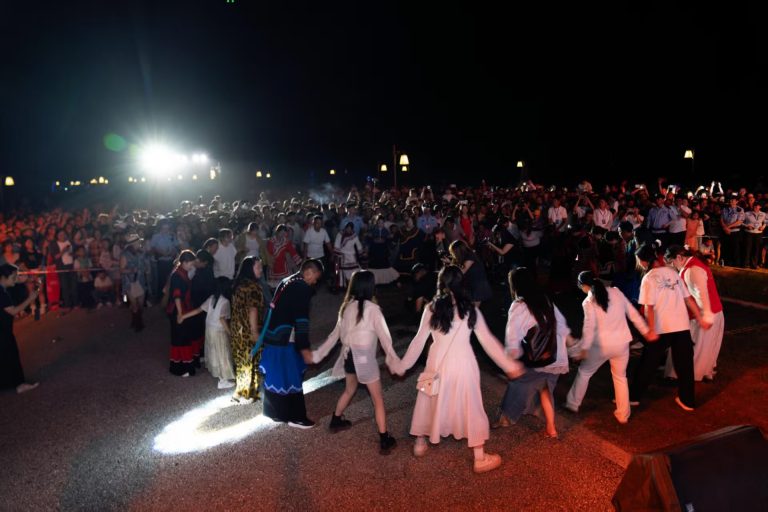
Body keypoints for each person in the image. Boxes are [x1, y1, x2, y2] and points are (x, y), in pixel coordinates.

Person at [389, 265, 523, 474]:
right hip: (463, 364)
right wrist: (510, 366)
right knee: (471, 406)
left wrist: (402, 366)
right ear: (462, 284)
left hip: (436, 363)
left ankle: (420, 442)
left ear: (441, 283)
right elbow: (488, 341)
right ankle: (479, 457)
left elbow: (418, 341)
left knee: (427, 399)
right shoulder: (470, 310)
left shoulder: (431, 308)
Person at [312, 270, 399, 453]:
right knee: (377, 399)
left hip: (348, 356)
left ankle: (336, 420)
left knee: (349, 389)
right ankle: (384, 439)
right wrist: (393, 360)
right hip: (364, 357)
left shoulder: (346, 307)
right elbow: (385, 338)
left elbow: (334, 336)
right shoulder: (373, 309)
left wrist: (318, 354)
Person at [565, 271, 656, 424]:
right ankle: (623, 414)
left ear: (584, 286)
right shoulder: (616, 292)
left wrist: (585, 348)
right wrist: (646, 331)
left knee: (584, 372)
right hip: (622, 344)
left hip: (601, 346)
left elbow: (589, 327)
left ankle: (573, 404)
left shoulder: (588, 302)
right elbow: (633, 313)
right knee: (620, 377)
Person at [629, 242, 711, 411]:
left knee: (647, 364)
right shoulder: (673, 273)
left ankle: (634, 397)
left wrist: (651, 329)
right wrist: (700, 318)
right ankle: (687, 401)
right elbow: (688, 299)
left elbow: (649, 307)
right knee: (685, 365)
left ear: (643, 261)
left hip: (662, 328)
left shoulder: (648, 278)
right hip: (681, 326)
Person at [494, 267, 570, 439]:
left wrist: (511, 359)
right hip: (555, 356)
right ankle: (551, 428)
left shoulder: (519, 306)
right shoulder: (545, 299)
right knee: (545, 390)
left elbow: (513, 336)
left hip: (535, 358)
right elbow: (562, 326)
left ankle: (505, 418)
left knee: (516, 387)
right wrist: (570, 344)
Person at [259, 259, 324, 427]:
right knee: (291, 375)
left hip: (272, 335)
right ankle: (296, 417)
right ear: (308, 272)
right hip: (285, 338)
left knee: (276, 375)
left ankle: (274, 412)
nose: (315, 282)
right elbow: (301, 320)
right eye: (316, 277)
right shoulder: (302, 288)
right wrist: (304, 348)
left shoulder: (287, 280)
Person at [664, 246, 725, 382]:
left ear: (679, 257)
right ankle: (704, 372)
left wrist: (706, 317)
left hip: (705, 314)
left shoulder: (692, 270)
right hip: (710, 313)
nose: (673, 266)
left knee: (695, 348)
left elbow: (701, 295)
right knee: (704, 348)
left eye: (672, 263)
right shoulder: (693, 266)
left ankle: (683, 375)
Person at [180, 277, 236, 389]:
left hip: (209, 329)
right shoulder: (225, 301)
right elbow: (222, 319)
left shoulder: (211, 298)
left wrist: (183, 316)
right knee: (222, 353)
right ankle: (223, 380)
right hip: (218, 331)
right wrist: (230, 333)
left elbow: (198, 310)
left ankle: (220, 376)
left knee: (214, 351)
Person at [229, 255, 266, 403]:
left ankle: (241, 390)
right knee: (252, 359)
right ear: (250, 269)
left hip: (237, 327)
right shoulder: (253, 287)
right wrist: (254, 331)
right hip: (248, 328)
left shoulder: (238, 284)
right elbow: (253, 309)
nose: (261, 270)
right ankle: (249, 392)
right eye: (258, 267)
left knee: (241, 359)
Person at [0, 263, 40, 394]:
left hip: (4, 329)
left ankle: (8, 384)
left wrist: (23, 278)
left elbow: (14, 282)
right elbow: (13, 311)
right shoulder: (1, 293)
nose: (15, 279)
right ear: (3, 278)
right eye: (13, 277)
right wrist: (30, 298)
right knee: (11, 355)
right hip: (3, 331)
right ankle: (19, 384)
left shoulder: (3, 287)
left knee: (5, 356)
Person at [166, 250, 198, 377]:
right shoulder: (177, 276)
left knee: (181, 338)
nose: (192, 266)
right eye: (191, 264)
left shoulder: (181, 273)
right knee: (180, 338)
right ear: (184, 262)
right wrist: (180, 314)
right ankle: (181, 368)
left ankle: (181, 366)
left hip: (182, 309)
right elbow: (177, 296)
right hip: (178, 310)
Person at [449, 239, 491, 305]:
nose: (453, 254)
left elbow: (462, 271)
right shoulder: (465, 257)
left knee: (473, 309)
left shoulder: (470, 256)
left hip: (478, 285)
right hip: (472, 285)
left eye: (453, 252)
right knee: (471, 308)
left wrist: (451, 264)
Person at [120, 234, 149, 332]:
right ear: (132, 244)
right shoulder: (125, 255)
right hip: (130, 282)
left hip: (141, 281)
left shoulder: (142, 252)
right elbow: (121, 270)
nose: (139, 243)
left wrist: (146, 269)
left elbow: (145, 264)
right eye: (137, 241)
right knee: (134, 304)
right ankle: (138, 324)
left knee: (140, 304)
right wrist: (131, 270)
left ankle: (135, 320)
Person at [333, 222, 363, 289]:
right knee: (343, 271)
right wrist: (337, 254)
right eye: (348, 228)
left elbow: (358, 245)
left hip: (352, 256)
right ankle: (343, 285)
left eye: (350, 228)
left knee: (354, 270)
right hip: (342, 256)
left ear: (352, 229)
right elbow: (337, 244)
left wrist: (361, 253)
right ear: (345, 228)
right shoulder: (340, 234)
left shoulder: (354, 235)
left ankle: (354, 285)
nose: (349, 229)